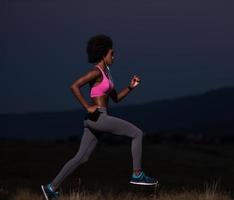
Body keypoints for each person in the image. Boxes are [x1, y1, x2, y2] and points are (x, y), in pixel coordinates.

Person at [41, 34, 158, 200]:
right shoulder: (96, 71)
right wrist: (87, 106)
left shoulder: (106, 74)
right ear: (103, 54)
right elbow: (74, 86)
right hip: (98, 117)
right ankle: (137, 174)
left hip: (95, 120)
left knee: (82, 157)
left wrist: (130, 87)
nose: (114, 56)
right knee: (137, 133)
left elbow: (116, 98)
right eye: (112, 53)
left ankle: (51, 188)